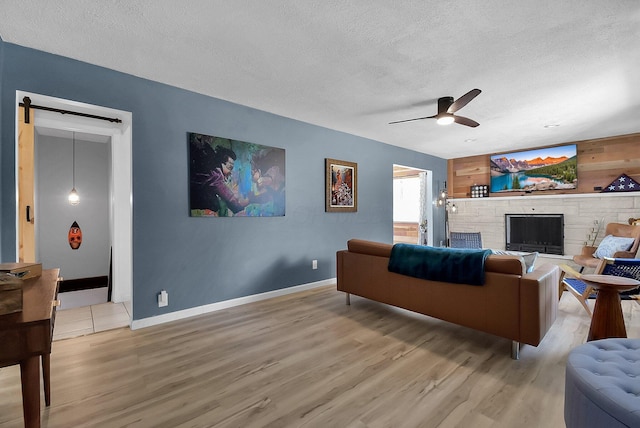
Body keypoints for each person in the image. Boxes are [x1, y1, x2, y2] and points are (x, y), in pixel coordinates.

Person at [190, 144, 248, 215]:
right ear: (221, 163)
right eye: (229, 168)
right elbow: (228, 196)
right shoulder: (216, 174)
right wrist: (240, 209)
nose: (231, 172)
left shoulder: (210, 171)